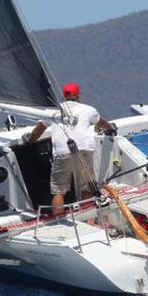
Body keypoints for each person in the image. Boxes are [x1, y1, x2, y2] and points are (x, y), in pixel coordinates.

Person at [28, 82, 113, 215]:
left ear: (64, 97)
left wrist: (31, 140)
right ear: (78, 96)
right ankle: (88, 219)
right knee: (87, 187)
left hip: (62, 153)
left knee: (58, 191)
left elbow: (39, 129)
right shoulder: (88, 109)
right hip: (84, 150)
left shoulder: (53, 111)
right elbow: (102, 122)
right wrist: (111, 128)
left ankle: (58, 221)